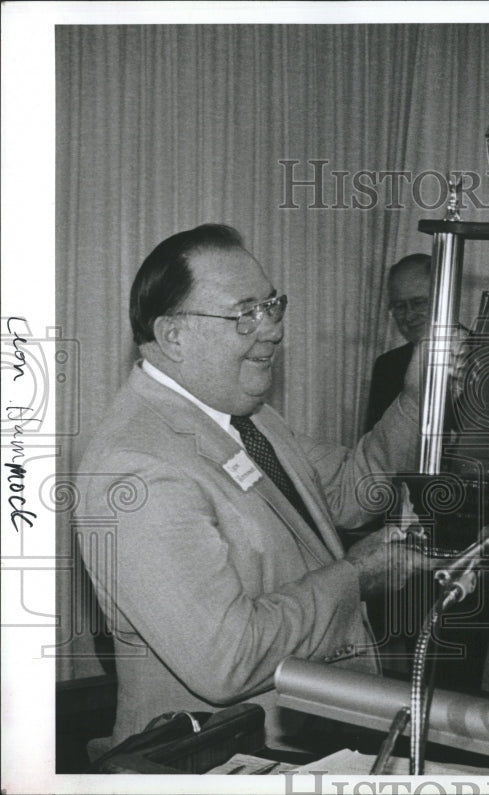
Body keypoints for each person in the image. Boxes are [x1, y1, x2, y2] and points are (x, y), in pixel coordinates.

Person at [77, 224, 428, 749]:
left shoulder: (247, 417)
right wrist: (357, 576)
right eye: (245, 313)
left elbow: (354, 491)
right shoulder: (136, 469)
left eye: (271, 305)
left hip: (313, 742)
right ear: (173, 335)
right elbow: (228, 659)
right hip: (223, 761)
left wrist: (418, 395)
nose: (272, 330)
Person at [365, 253, 431, 431]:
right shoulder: (387, 366)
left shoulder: (480, 355)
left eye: (418, 303)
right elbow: (373, 446)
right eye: (400, 307)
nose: (409, 316)